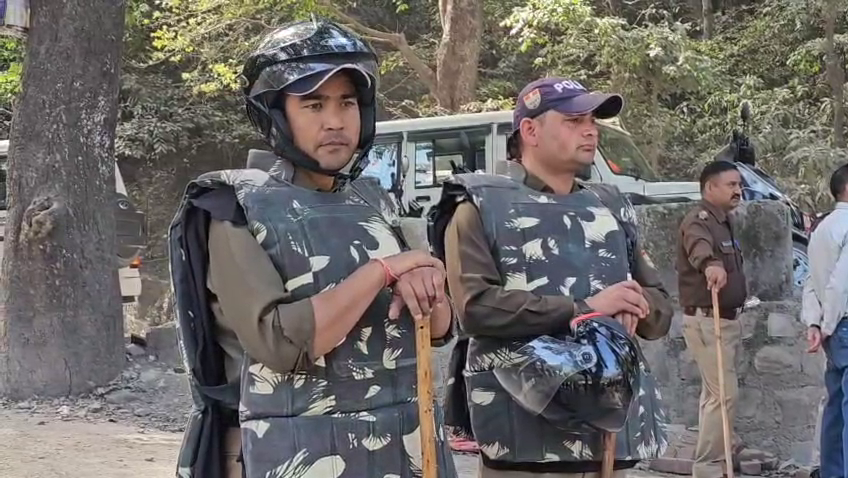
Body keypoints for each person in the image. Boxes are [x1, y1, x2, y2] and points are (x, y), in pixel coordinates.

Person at [167, 19, 458, 478]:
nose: (335, 121)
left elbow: (439, 331)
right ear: (276, 115)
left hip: (399, 446)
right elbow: (281, 345)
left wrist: (428, 284)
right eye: (314, 104)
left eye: (347, 102)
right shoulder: (235, 207)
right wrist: (383, 271)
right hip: (292, 454)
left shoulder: (378, 201)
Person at [429, 77, 673, 477]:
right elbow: (476, 307)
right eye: (574, 120)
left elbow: (659, 309)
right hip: (523, 437)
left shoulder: (611, 207)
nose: (590, 130)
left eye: (592, 120)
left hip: (607, 431)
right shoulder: (480, 206)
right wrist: (587, 308)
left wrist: (635, 305)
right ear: (530, 130)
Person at [677, 160, 747, 478]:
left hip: (725, 320)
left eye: (739, 185)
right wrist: (710, 264)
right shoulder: (699, 220)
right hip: (708, 320)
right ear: (710, 187)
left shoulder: (724, 221)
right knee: (723, 395)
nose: (738, 190)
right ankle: (708, 467)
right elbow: (699, 247)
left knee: (716, 394)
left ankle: (721, 454)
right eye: (731, 184)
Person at [802, 163, 848, 478]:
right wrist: (828, 325)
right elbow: (839, 285)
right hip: (842, 323)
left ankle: (833, 471)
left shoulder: (823, 228)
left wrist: (815, 324)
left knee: (836, 407)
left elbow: (812, 281)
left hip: (834, 328)